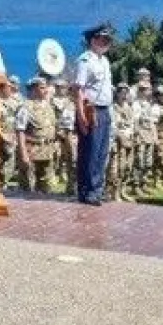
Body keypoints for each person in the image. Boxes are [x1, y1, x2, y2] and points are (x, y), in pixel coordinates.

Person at [71, 23, 115, 206]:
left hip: (104, 110)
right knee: (90, 151)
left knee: (101, 152)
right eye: (102, 39)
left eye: (108, 40)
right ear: (92, 40)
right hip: (91, 110)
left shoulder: (104, 61)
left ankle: (96, 189)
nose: (106, 43)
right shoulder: (85, 60)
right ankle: (88, 191)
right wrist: (81, 115)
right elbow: (79, 90)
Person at [15, 77, 56, 193]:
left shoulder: (49, 107)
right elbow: (20, 131)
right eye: (42, 88)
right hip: (31, 151)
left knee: (46, 189)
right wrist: (23, 154)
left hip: (47, 152)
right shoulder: (26, 108)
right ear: (34, 89)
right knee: (28, 189)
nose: (46, 90)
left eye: (46, 87)